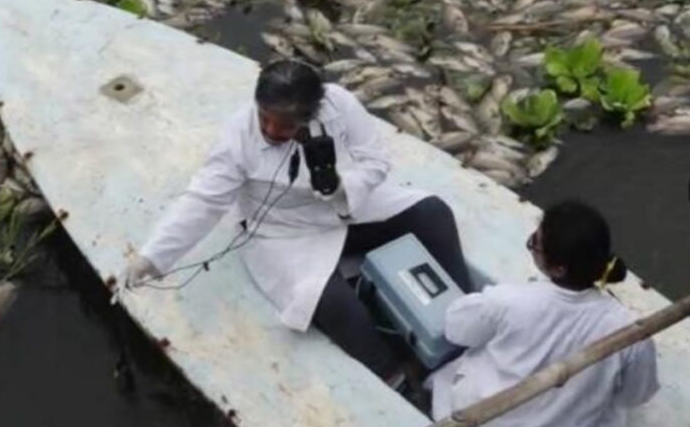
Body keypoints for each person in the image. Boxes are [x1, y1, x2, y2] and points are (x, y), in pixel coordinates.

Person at [121, 59, 473, 387]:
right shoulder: (236, 137)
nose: (272, 130)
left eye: (286, 125)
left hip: (345, 205)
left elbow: (375, 161)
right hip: (283, 230)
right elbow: (203, 202)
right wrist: (152, 257)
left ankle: (467, 321)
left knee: (432, 212)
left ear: (314, 112)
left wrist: (341, 187)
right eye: (265, 118)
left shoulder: (340, 104)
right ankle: (395, 376)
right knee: (326, 300)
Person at [429, 200, 659, 426]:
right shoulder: (629, 333)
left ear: (559, 268)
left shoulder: (507, 300)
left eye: (534, 244)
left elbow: (456, 330)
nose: (530, 245)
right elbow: (636, 396)